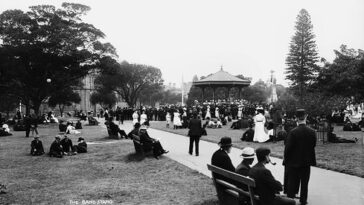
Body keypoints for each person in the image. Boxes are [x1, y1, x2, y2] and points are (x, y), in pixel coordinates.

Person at [284, 109, 316, 205]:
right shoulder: (312, 131)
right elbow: (313, 145)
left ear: (296, 118)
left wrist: (286, 159)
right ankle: (303, 199)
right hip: (306, 160)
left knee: (292, 181)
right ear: (306, 117)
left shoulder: (293, 132)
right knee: (305, 182)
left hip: (294, 160)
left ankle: (290, 199)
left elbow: (288, 148)